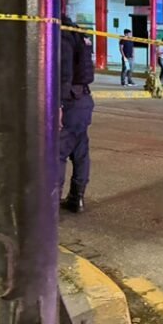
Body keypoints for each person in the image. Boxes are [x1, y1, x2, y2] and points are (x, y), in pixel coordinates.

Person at [60, 15, 95, 213]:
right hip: (83, 98)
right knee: (80, 152)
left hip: (70, 100)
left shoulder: (62, 35)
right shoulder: (79, 34)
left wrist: (58, 105)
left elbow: (64, 73)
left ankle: (49, 203)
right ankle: (77, 198)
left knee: (58, 152)